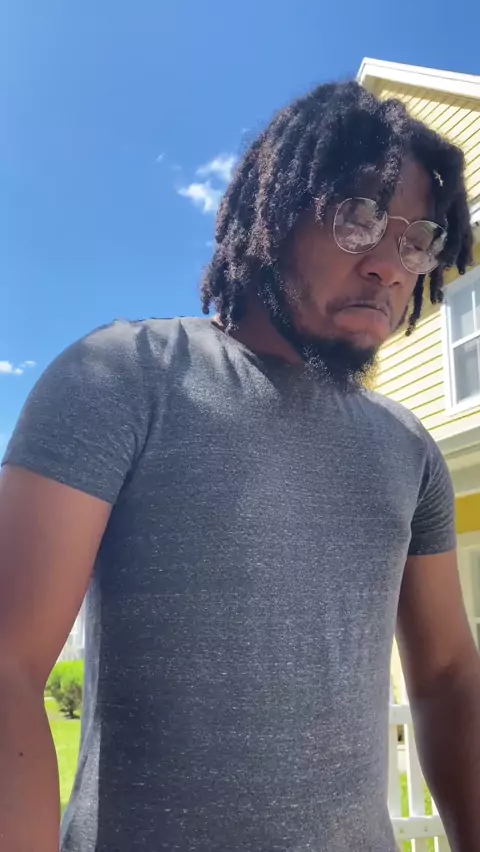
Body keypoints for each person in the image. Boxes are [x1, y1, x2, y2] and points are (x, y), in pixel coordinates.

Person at [0, 81, 479, 852]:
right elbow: (10, 663)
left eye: (417, 241)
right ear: (276, 214)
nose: (391, 267)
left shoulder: (409, 448)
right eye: (359, 218)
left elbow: (450, 675)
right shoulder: (124, 376)